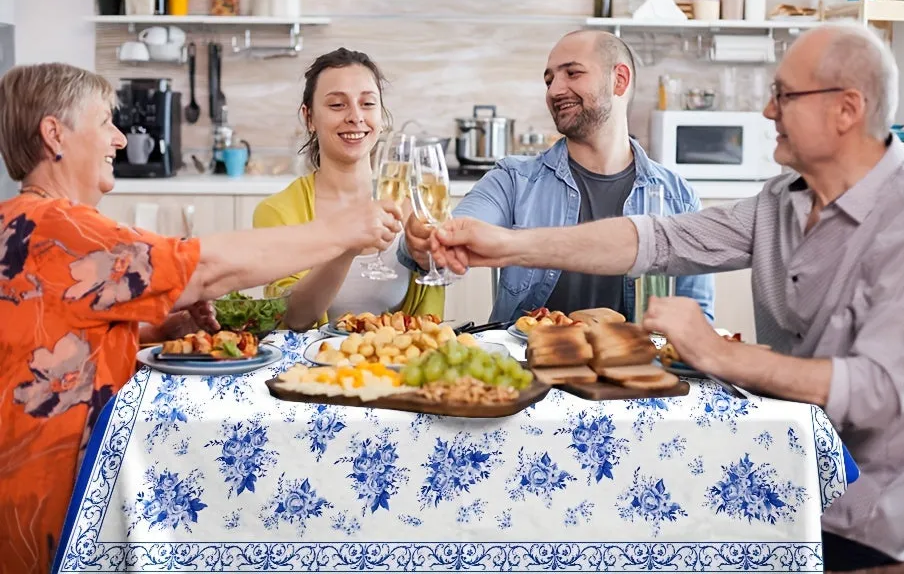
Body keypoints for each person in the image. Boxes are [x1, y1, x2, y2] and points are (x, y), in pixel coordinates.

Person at [430, 22, 904, 573]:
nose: (766, 111)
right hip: (763, 474)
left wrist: (715, 351)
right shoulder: (779, 201)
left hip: (845, 519)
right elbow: (660, 239)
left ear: (847, 109)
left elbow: (878, 389)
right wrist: (509, 244)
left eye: (783, 95)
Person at [0, 63, 403, 574]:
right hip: (48, 508)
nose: (120, 139)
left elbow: (50, 330)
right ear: (54, 133)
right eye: (106, 122)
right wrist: (344, 231)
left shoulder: (21, 219)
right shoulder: (59, 225)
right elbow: (206, 267)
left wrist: (153, 331)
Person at [399, 30, 714, 324]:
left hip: (634, 371)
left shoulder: (678, 197)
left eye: (572, 73)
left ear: (619, 80)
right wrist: (425, 242)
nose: (554, 90)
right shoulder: (513, 179)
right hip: (526, 366)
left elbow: (695, 321)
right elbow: (452, 236)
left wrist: (656, 355)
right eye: (549, 80)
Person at [254, 48, 443, 331]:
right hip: (310, 371)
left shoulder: (418, 203)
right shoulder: (277, 212)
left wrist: (438, 260)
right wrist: (347, 248)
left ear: (381, 116)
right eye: (337, 105)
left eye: (367, 103)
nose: (356, 117)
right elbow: (291, 318)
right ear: (309, 118)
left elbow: (432, 323)